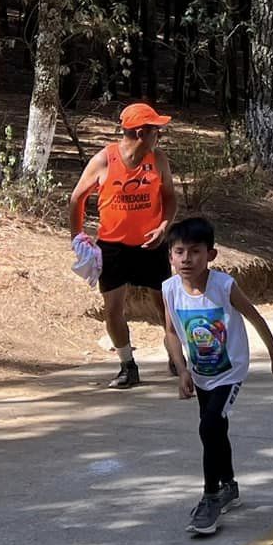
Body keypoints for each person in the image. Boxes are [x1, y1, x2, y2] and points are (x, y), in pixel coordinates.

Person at [160, 217, 273, 535]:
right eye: (179, 252)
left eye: (195, 252)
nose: (187, 259)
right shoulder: (169, 289)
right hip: (202, 372)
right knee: (216, 429)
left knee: (210, 426)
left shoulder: (224, 286)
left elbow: (256, 318)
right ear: (170, 256)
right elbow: (170, 332)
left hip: (230, 371)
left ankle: (211, 497)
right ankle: (229, 484)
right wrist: (182, 370)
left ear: (211, 255)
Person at [68, 102, 180, 389]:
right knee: (113, 308)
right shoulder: (105, 160)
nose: (159, 136)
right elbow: (77, 198)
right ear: (142, 132)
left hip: (151, 244)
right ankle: (127, 366)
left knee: (164, 303)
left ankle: (176, 356)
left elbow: (169, 197)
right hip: (113, 247)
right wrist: (77, 236)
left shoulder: (159, 159)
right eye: (157, 131)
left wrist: (164, 225)